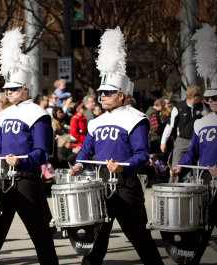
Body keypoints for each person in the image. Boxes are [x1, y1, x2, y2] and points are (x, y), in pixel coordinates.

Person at [71, 26, 163, 265]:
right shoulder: (96, 121)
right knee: (95, 244)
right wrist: (79, 165)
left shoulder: (136, 118)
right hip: (99, 186)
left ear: (122, 94)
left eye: (108, 93)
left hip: (126, 187)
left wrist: (123, 168)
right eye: (101, 93)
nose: (102, 97)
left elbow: (143, 155)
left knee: (141, 240)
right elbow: (85, 151)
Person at [0, 28, 58, 265]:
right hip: (3, 178)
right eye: (7, 89)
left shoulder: (38, 114)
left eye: (13, 89)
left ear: (26, 89)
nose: (8, 92)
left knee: (39, 233)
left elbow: (43, 152)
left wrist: (22, 160)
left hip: (26, 180)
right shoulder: (5, 114)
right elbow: (0, 145)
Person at [171, 70, 217, 263]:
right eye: (209, 98)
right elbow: (193, 152)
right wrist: (181, 167)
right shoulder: (201, 122)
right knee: (198, 239)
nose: (211, 101)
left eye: (216, 97)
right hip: (205, 186)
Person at [160, 85, 206, 168]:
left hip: (197, 141)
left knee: (197, 168)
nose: (202, 97)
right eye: (200, 95)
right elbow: (170, 126)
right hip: (182, 141)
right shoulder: (178, 107)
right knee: (176, 167)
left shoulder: (202, 106)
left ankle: (196, 181)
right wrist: (163, 142)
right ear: (193, 96)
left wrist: (207, 115)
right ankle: (174, 181)